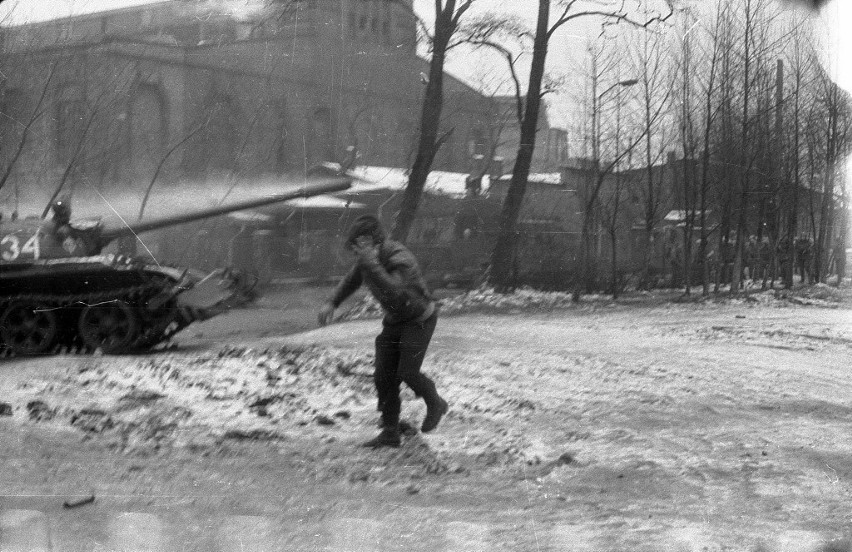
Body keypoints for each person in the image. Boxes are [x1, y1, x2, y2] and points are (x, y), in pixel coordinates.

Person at [318, 215, 448, 448]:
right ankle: (390, 431)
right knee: (383, 376)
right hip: (395, 320)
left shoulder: (399, 257)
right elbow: (351, 281)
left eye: (357, 247)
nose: (355, 254)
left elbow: (397, 291)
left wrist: (371, 263)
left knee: (408, 371)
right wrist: (332, 302)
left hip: (418, 319)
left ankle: (435, 401)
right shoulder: (367, 260)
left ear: (369, 241)